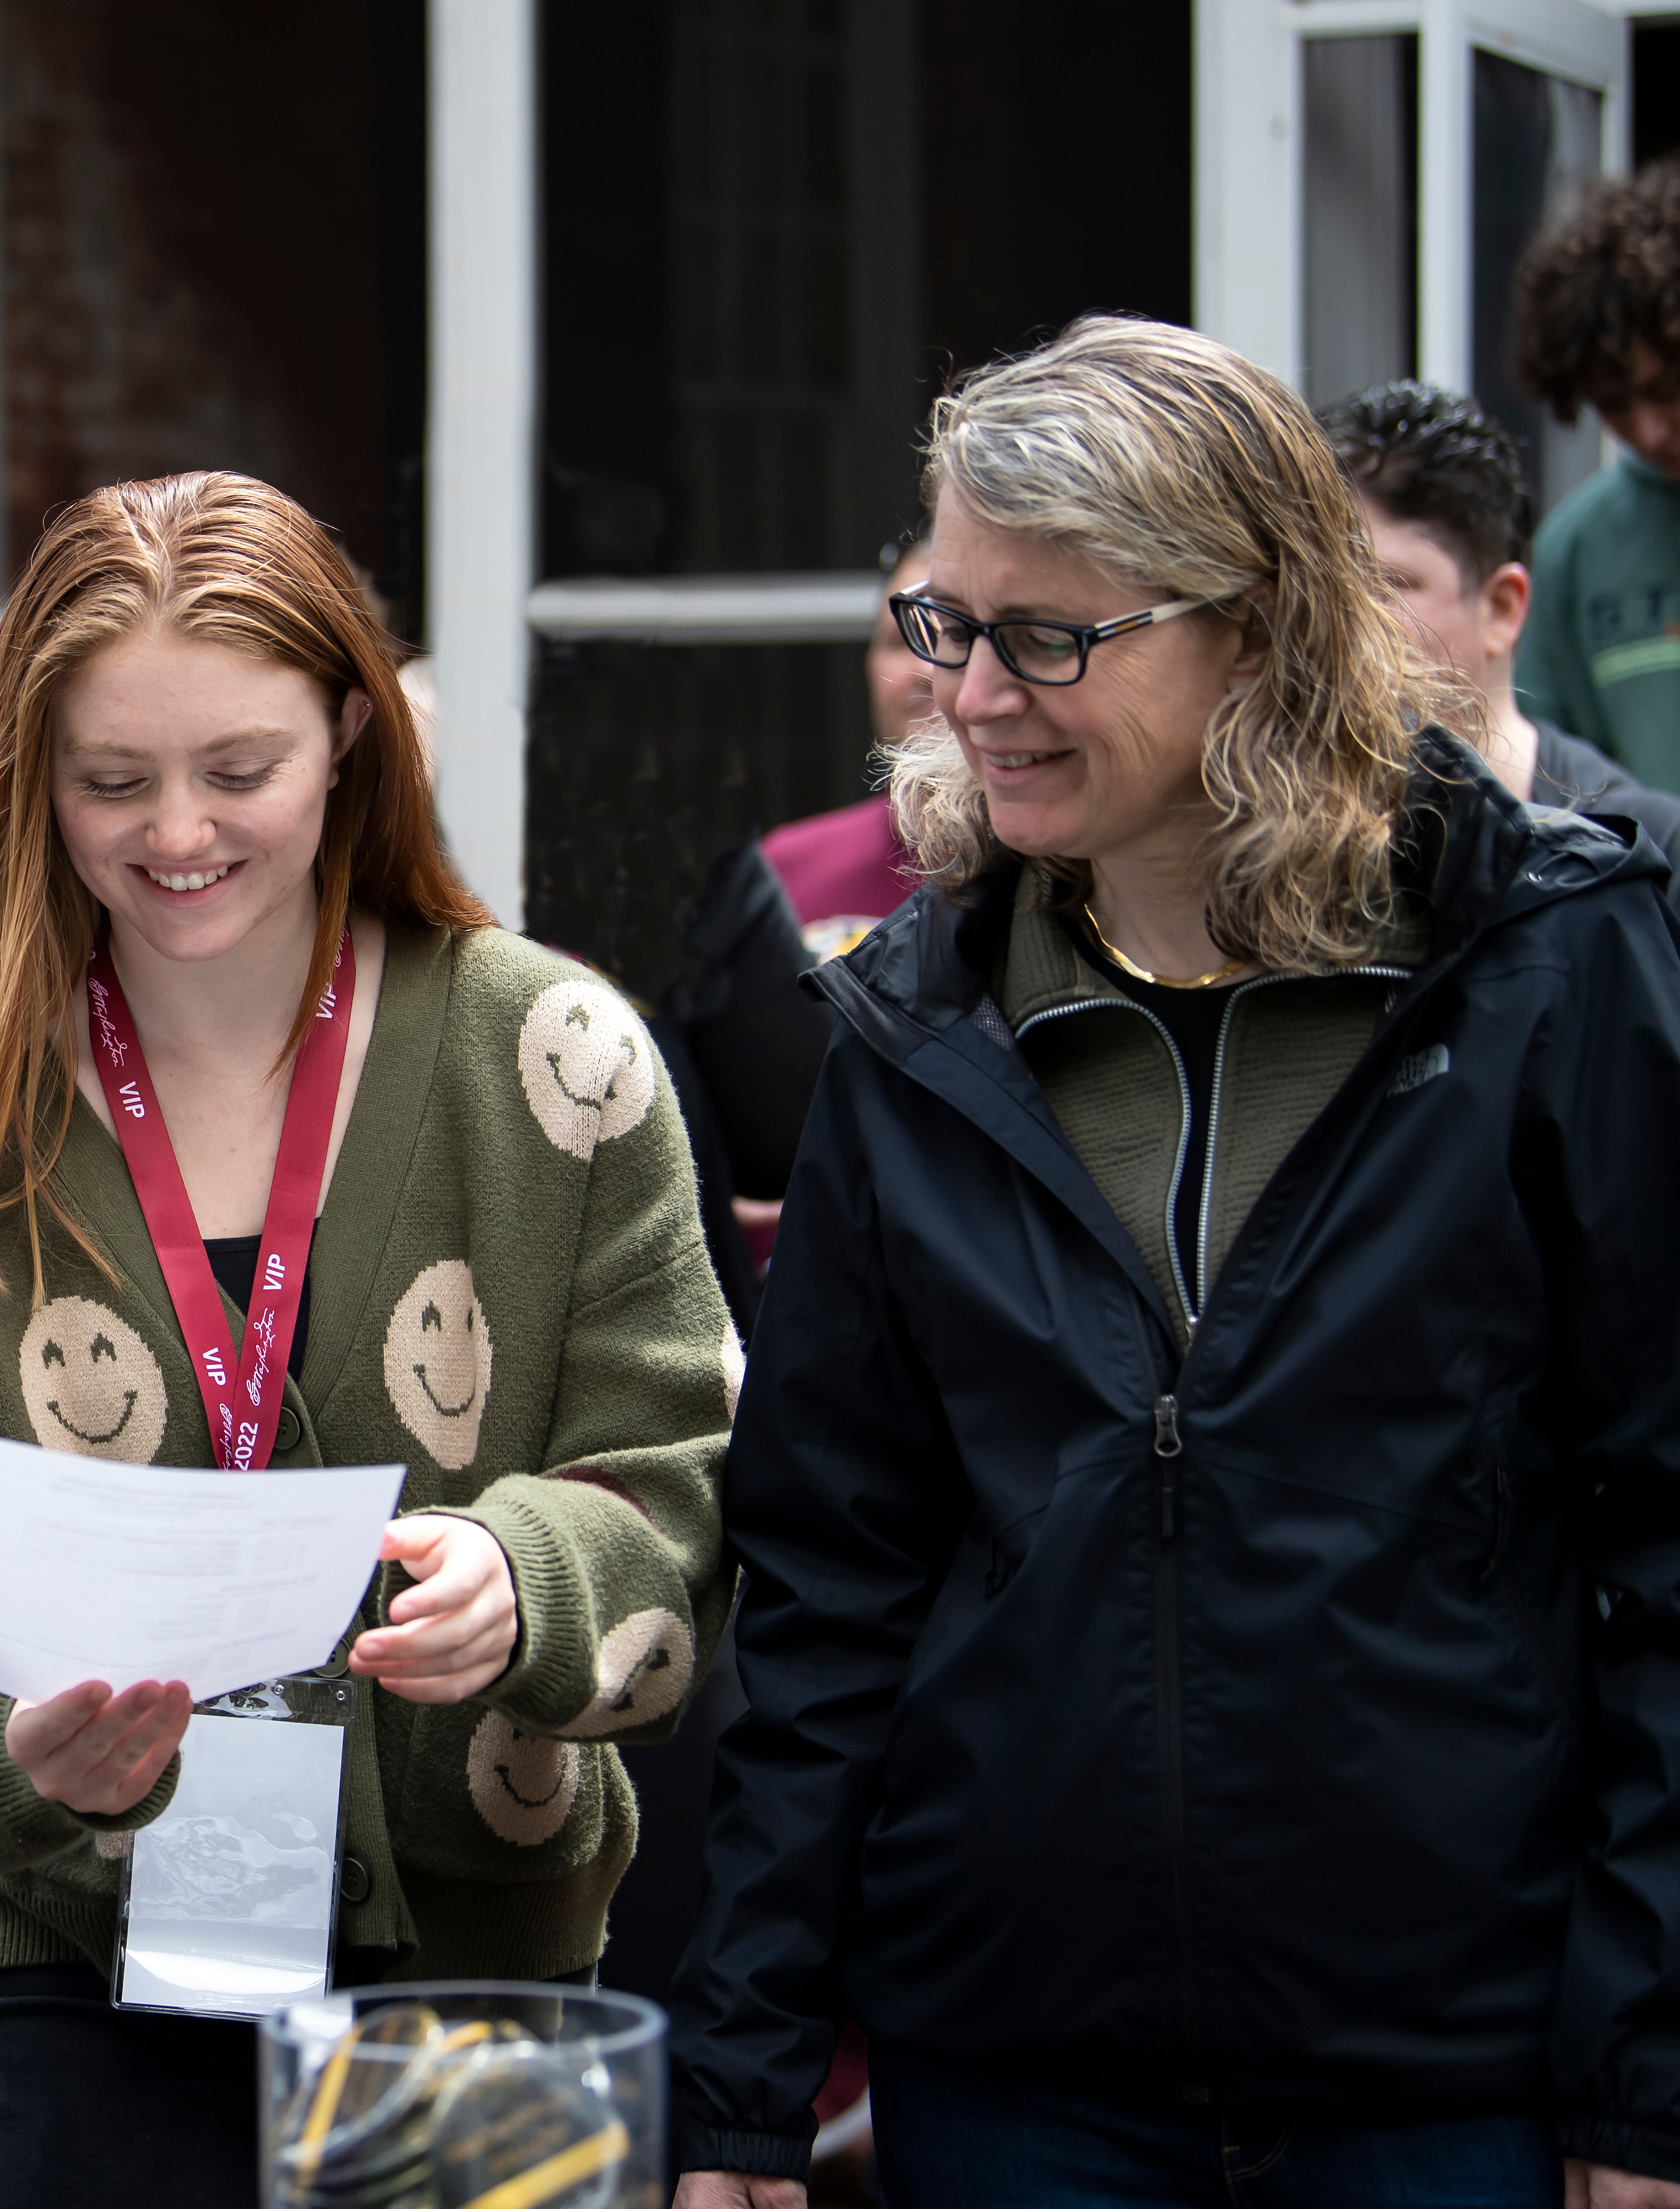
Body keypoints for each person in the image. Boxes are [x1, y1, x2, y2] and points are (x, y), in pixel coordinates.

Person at [672, 318, 1680, 2209]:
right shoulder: (906, 1033)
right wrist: (736, 2084)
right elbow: (827, 1591)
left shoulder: (1550, 961)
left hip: (1451, 2077)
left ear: (1256, 630)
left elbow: (1662, 1536)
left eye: (1048, 635)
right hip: (1014, 2076)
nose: (971, 692)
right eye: (943, 621)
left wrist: (1640, 2077)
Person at [0, 470, 741, 2208]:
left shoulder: (559, 1061)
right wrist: (23, 1755)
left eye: (241, 770)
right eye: (112, 780)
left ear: (354, 745)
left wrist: (521, 1574)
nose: (178, 833)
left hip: (482, 1956)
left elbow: (687, 1499)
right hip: (85, 1976)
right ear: (32, 783)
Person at [1321, 378, 1680, 885]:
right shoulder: (1282, 856)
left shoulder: (1639, 858)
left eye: (1386, 586)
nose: (1339, 618)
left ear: (1502, 607)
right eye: (1320, 587)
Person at [1512, 158, 1680, 787]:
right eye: (1613, 404)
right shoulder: (1575, 549)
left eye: (1667, 389)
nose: (1647, 430)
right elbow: (1552, 783)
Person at [759, 533, 933, 956]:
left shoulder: (1083, 876)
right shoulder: (787, 871)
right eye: (900, 640)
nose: (925, 668)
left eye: (957, 638)